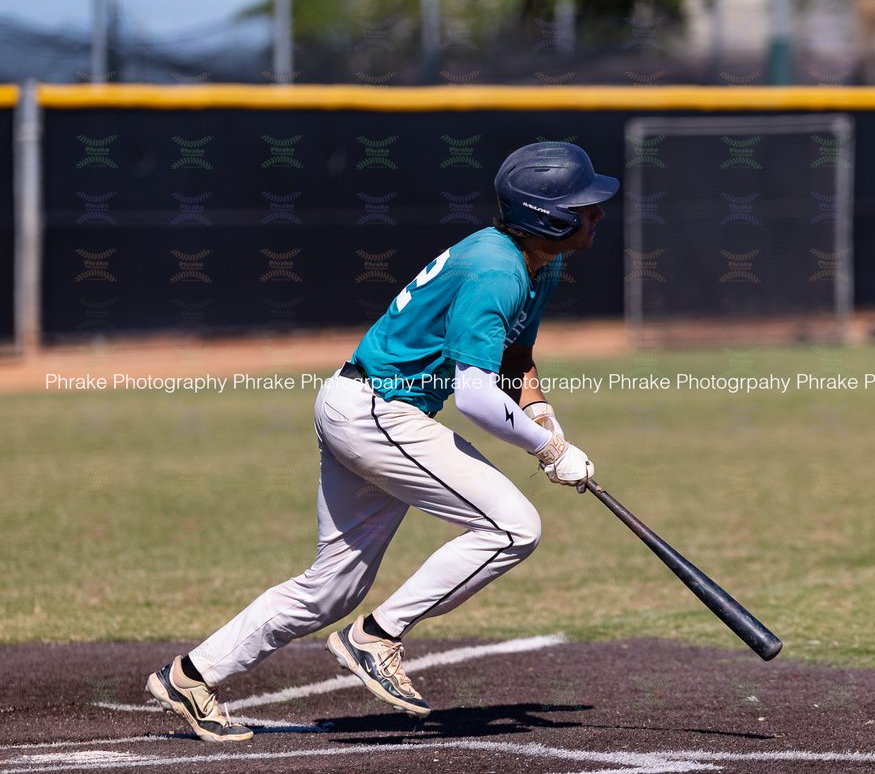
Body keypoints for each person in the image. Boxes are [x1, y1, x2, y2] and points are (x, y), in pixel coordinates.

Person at [146, 142, 618, 742]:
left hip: (366, 408)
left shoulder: (538, 262)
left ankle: (190, 676)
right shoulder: (497, 271)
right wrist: (547, 452)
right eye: (585, 206)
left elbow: (515, 358)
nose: (597, 214)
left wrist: (546, 420)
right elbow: (474, 396)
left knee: (330, 590)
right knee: (512, 528)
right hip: (378, 413)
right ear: (547, 218)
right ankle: (377, 637)